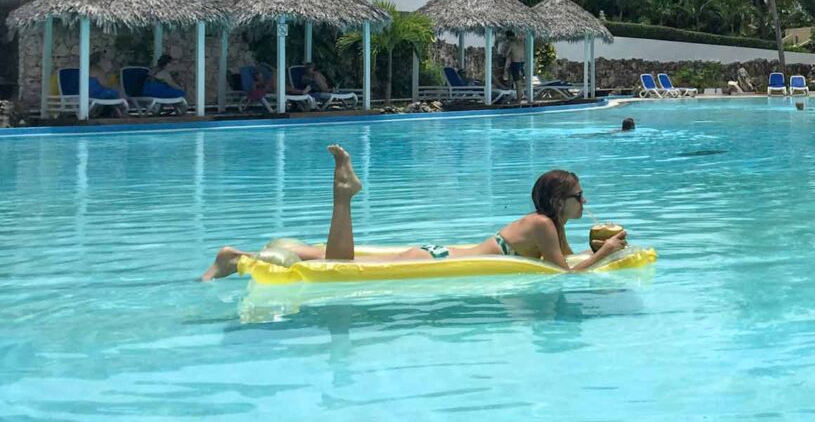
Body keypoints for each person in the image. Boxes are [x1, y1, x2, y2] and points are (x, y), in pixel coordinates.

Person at [201, 145, 629, 280]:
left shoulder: (544, 224)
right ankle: (341, 198)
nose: (584, 202)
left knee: (332, 258)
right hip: (432, 260)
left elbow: (567, 256)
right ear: (558, 202)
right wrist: (607, 252)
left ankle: (248, 255)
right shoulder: (540, 225)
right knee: (339, 266)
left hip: (439, 252)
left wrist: (593, 247)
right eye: (578, 196)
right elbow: (565, 275)